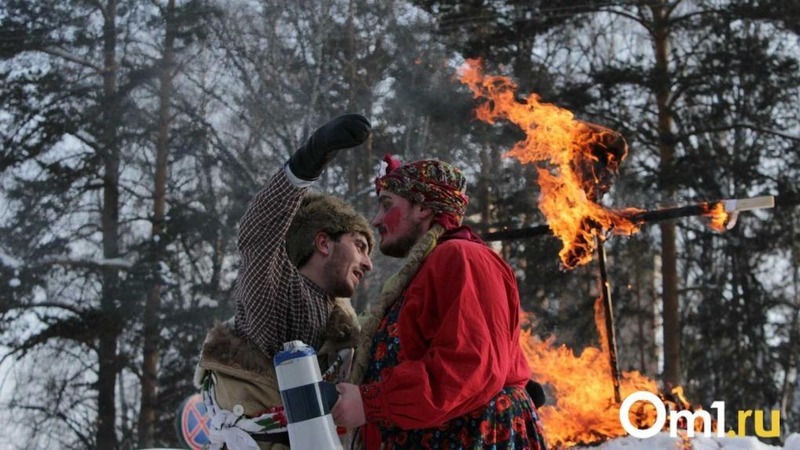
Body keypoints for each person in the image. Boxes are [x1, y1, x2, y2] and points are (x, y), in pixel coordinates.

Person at [332, 154, 548, 449]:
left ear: (422, 207)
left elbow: (470, 365)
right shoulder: (429, 268)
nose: (376, 220)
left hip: (472, 438)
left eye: (387, 205)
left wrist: (373, 402)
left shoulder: (462, 256)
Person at [194, 113, 375, 450]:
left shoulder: (341, 325)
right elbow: (258, 233)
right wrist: (309, 159)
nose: (368, 263)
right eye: (360, 246)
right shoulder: (277, 296)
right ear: (323, 243)